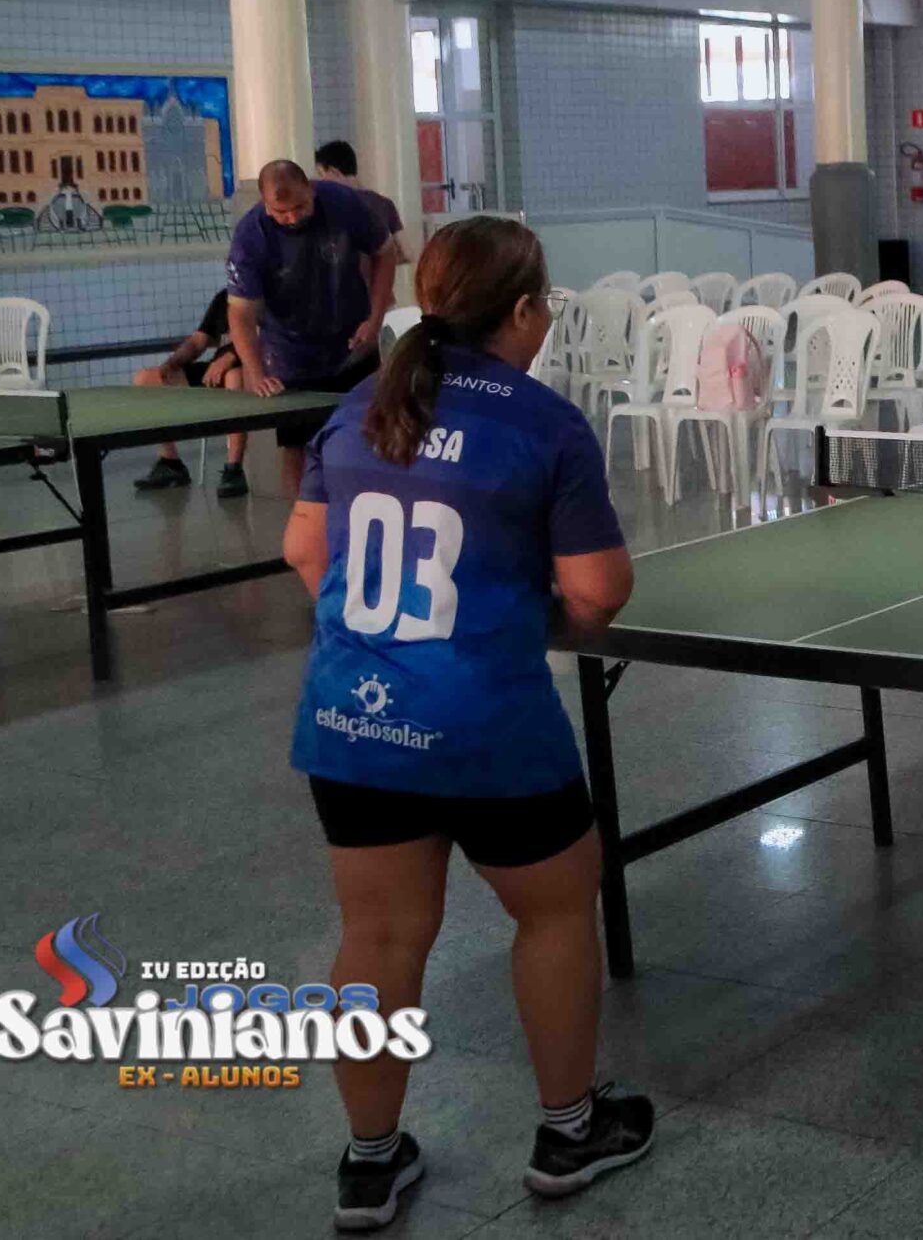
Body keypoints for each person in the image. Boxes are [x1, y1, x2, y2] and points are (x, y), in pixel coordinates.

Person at [283, 217, 650, 1230]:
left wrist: (385, 641)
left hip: (356, 719)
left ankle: (370, 1162)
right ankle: (569, 1130)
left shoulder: (360, 406)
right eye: (545, 304)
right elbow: (598, 591)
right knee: (556, 911)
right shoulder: (543, 423)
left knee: (378, 933)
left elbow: (304, 550)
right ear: (524, 310)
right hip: (490, 723)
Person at [226, 159, 402, 496]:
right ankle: (304, 515)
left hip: (352, 343)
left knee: (366, 432)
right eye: (281, 212)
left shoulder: (343, 203)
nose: (292, 217)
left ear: (311, 190)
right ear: (265, 204)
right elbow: (240, 313)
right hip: (289, 353)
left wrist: (375, 318)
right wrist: (256, 372)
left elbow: (385, 252)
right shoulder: (250, 237)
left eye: (300, 207)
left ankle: (363, 506)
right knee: (298, 447)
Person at [130, 288, 251, 498]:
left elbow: (264, 338)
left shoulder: (261, 297)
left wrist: (230, 357)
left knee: (234, 375)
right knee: (145, 379)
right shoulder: (224, 298)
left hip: (249, 372)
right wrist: (172, 363)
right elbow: (197, 341)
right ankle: (171, 463)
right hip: (215, 371)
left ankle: (234, 469)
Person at [315, 140, 411, 266]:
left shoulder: (334, 205)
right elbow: (406, 254)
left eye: (321, 174)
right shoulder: (384, 203)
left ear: (333, 172)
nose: (321, 181)